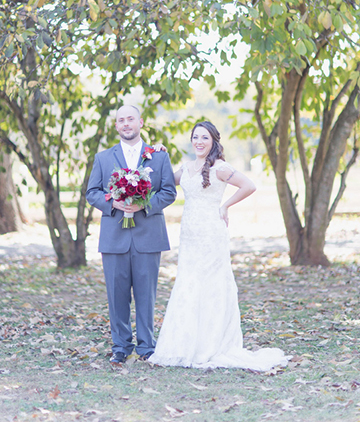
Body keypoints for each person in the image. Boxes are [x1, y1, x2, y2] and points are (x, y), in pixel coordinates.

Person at [148, 121, 288, 370]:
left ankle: (210, 346)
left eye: (204, 137)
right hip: (189, 235)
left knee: (210, 286)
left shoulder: (220, 168)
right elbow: (163, 180)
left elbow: (249, 185)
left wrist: (225, 205)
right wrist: (160, 154)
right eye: (195, 137)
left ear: (213, 141)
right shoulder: (187, 168)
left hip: (211, 234)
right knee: (188, 283)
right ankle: (183, 345)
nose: (199, 141)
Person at [86, 105, 177, 365]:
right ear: (116, 126)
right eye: (121, 120)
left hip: (148, 235)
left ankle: (147, 347)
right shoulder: (103, 158)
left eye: (130, 119)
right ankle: (120, 346)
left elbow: (169, 192)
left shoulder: (158, 156)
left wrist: (144, 205)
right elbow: (92, 192)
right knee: (117, 295)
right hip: (114, 236)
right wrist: (112, 202)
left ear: (140, 122)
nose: (126, 124)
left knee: (147, 295)